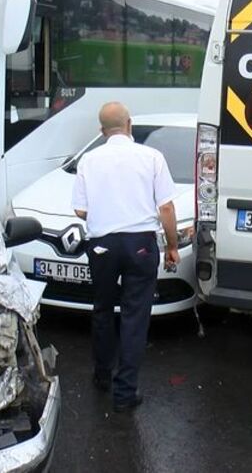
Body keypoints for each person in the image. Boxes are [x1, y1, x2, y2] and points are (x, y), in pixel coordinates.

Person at [71, 101, 180, 413]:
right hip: (141, 245)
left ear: (102, 131)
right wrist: (172, 246)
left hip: (102, 244)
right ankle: (124, 393)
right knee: (134, 316)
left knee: (103, 309)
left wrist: (106, 209)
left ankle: (102, 375)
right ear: (129, 124)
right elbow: (167, 208)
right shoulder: (152, 157)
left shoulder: (89, 161)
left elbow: (80, 209)